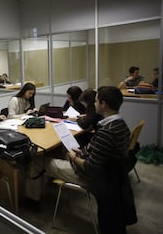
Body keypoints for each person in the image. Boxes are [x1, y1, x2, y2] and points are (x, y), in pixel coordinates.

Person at [45, 86, 137, 233]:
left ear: (103, 104)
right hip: (110, 178)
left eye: (96, 101)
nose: (94, 104)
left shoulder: (106, 132)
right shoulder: (121, 125)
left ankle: (33, 199)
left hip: (94, 178)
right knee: (64, 150)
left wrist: (74, 158)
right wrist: (82, 151)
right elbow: (100, 153)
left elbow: (90, 167)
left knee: (45, 161)